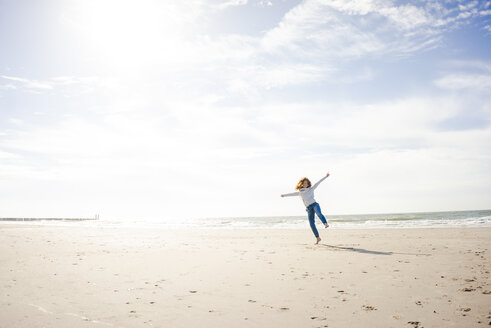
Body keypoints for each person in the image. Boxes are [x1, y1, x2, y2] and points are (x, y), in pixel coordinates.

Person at [281, 173, 330, 244]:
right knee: (311, 224)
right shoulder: (301, 192)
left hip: (314, 205)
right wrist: (284, 195)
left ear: (308, 184)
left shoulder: (311, 188)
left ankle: (325, 223)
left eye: (306, 183)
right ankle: (318, 238)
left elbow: (318, 183)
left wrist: (325, 177)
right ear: (302, 184)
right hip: (309, 208)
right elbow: (292, 194)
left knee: (319, 213)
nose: (305, 184)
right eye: (304, 183)